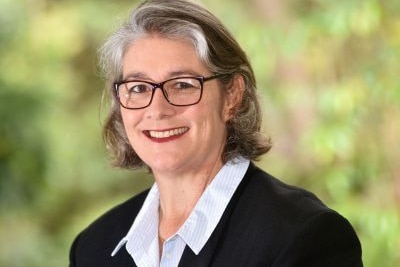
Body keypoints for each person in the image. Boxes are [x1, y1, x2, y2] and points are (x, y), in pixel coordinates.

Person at [69, 0, 363, 266]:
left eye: (182, 85)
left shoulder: (305, 236)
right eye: (138, 88)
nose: (157, 109)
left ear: (232, 96)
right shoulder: (94, 247)